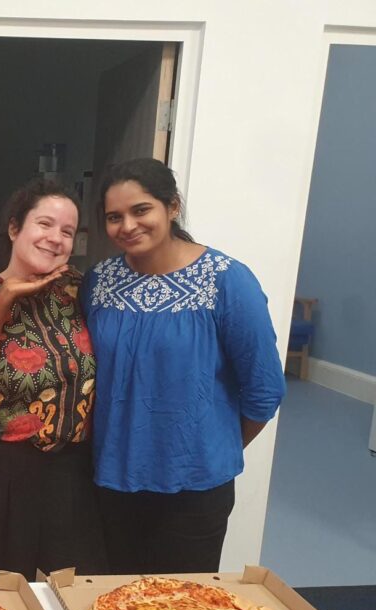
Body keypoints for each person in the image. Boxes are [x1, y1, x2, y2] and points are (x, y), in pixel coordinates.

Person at [82, 158, 286, 574]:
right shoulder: (98, 283)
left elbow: (264, 389)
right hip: (112, 481)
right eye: (114, 217)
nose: (128, 226)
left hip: (195, 489)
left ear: (172, 207)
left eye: (141, 210)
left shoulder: (226, 281)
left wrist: (206, 449)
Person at [0, 179, 108, 581]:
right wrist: (5, 300)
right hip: (3, 466)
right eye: (45, 224)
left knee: (77, 583)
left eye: (67, 232)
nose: (55, 239)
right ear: (15, 228)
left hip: (72, 466)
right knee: (4, 585)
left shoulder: (79, 292)